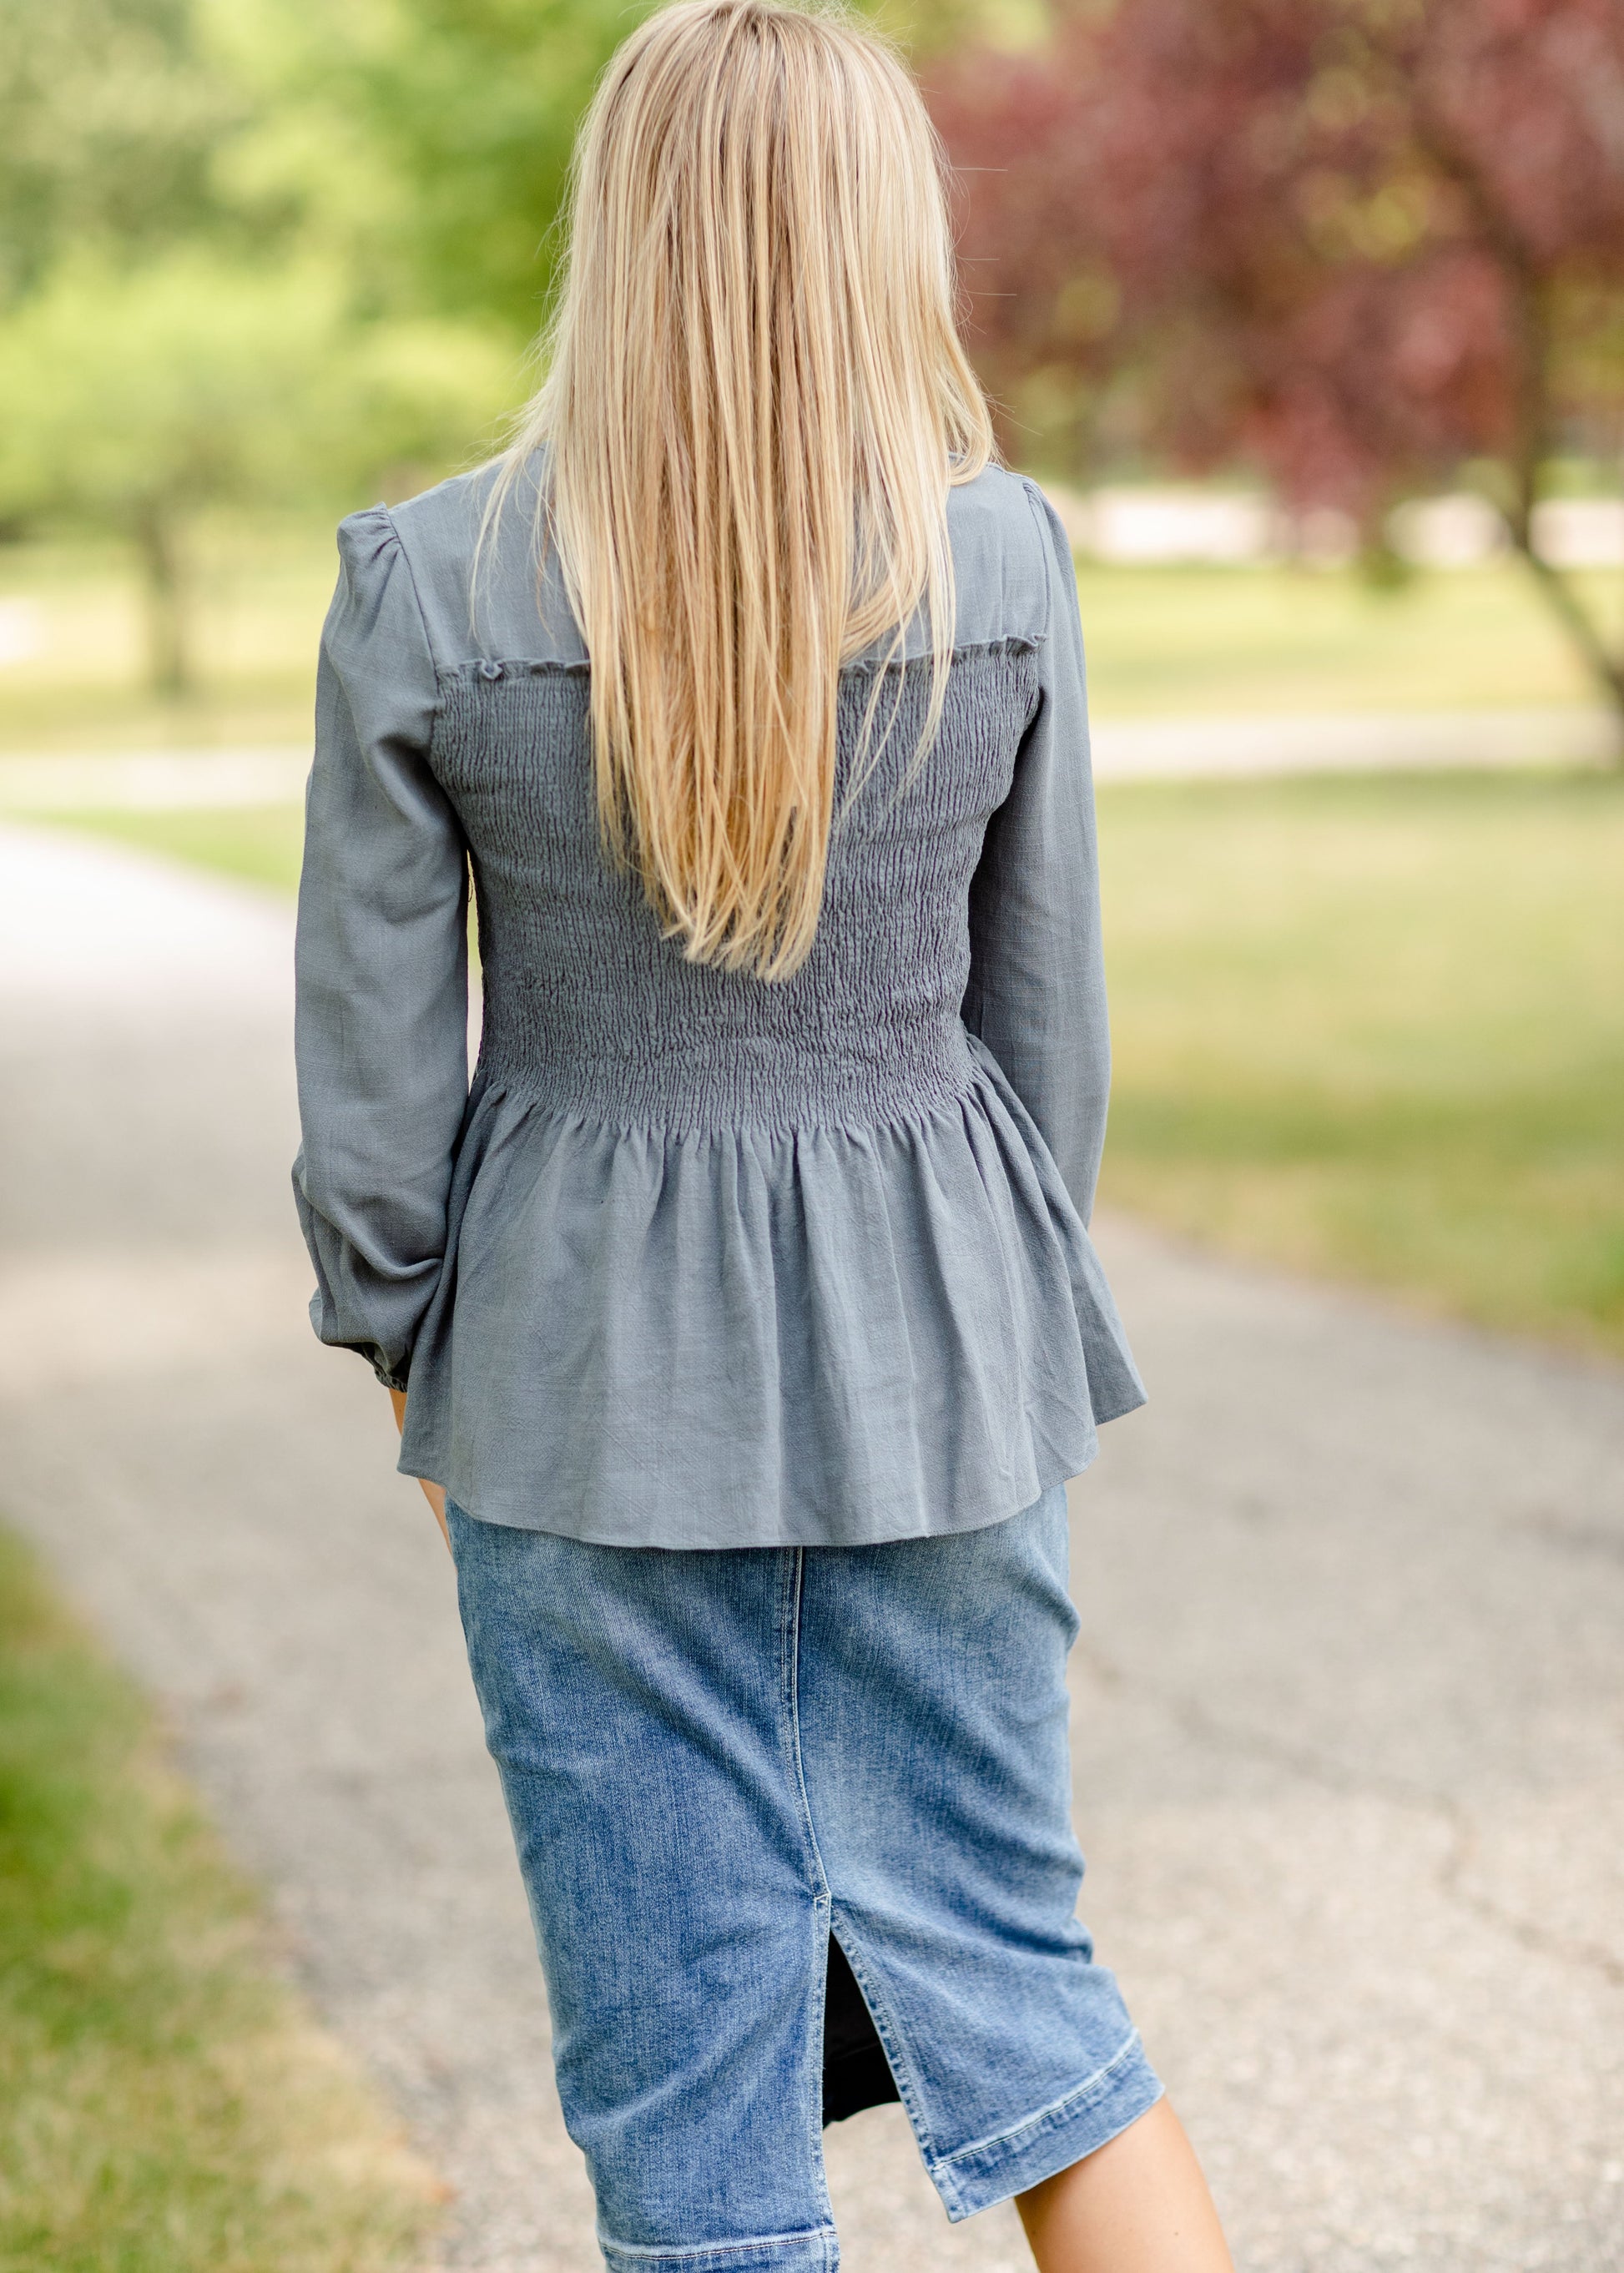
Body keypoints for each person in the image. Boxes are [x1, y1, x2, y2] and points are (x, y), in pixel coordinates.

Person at [291, 3, 1235, 2267]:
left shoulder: (432, 584)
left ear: (617, 228)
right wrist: (991, 1307)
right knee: (1024, 1990)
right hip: (941, 1341)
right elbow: (1045, 1022)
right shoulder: (996, 564)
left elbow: (370, 1068)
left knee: (685, 2074)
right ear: (873, 227)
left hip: (575, 1378)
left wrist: (407, 1342)